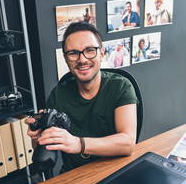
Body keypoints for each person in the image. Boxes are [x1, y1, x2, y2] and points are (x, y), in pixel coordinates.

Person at [25, 21, 138, 173]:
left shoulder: (121, 87)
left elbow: (127, 143)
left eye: (89, 50)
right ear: (66, 59)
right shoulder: (58, 94)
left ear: (102, 53)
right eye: (73, 53)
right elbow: (45, 149)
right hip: (73, 175)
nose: (82, 59)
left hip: (114, 171)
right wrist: (37, 137)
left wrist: (79, 144)